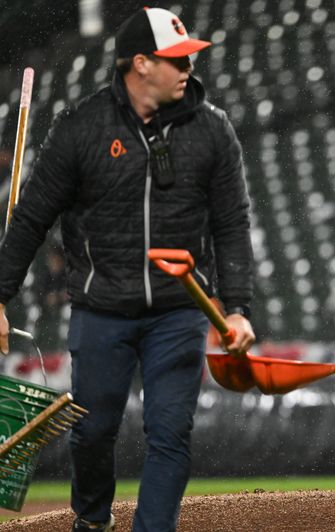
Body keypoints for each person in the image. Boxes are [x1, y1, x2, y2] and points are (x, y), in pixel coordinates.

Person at [0, 8, 255, 531]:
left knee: (169, 432)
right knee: (92, 433)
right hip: (101, 310)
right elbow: (30, 219)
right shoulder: (81, 127)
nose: (188, 68)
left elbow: (232, 222)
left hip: (180, 310)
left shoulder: (213, 130)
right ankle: (92, 521)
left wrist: (238, 308)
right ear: (140, 64)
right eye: (175, 59)